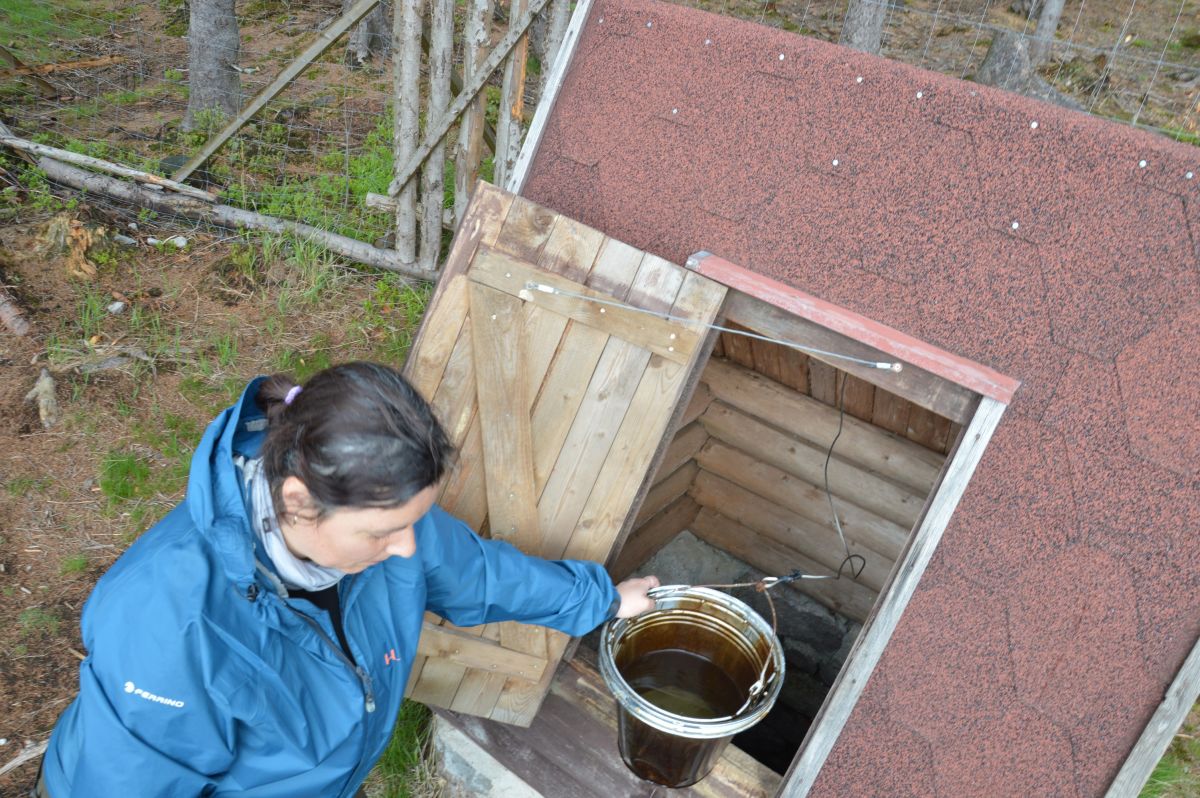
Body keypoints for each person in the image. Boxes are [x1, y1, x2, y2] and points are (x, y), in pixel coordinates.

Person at [37, 361, 659, 797]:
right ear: (299, 500)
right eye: (384, 532)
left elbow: (479, 574)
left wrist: (602, 599)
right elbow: (128, 783)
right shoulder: (168, 626)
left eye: (417, 519)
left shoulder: (385, 523)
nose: (409, 547)